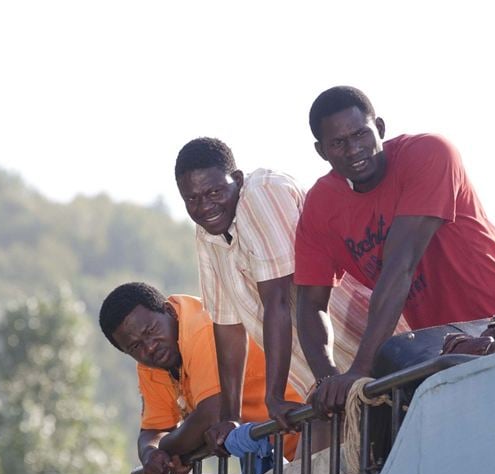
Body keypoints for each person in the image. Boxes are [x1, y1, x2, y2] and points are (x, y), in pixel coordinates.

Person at [294, 86, 495, 413]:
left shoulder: (429, 153)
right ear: (321, 151)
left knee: (393, 358)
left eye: (361, 134)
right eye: (338, 143)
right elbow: (310, 303)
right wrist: (327, 379)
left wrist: (360, 370)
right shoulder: (320, 206)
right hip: (447, 353)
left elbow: (401, 265)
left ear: (380, 128)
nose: (354, 149)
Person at [173, 137, 407, 446]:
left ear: (238, 180)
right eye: (193, 199)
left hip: (382, 352)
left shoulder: (261, 193)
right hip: (329, 384)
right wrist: (231, 416)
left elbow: (278, 301)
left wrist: (273, 397)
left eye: (215, 192)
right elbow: (227, 325)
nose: (205, 207)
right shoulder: (208, 232)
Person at [98, 282, 301, 474]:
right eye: (135, 346)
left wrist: (168, 448)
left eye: (151, 330)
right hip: (276, 460)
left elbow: (212, 414)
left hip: (310, 428)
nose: (149, 347)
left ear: (169, 311)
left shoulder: (201, 326)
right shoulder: (150, 366)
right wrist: (151, 455)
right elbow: (151, 431)